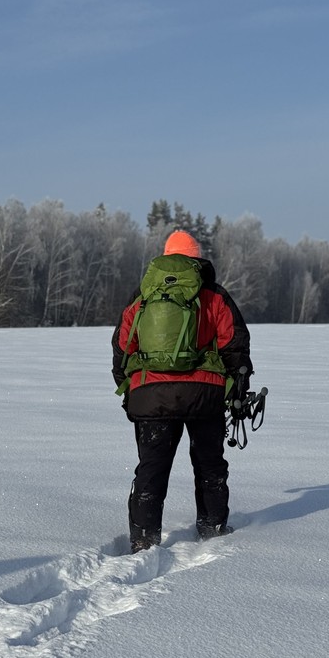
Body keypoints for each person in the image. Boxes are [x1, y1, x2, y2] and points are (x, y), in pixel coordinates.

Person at [112, 230, 254, 553]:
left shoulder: (144, 295)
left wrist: (129, 389)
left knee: (152, 467)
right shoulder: (213, 294)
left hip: (151, 395)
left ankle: (144, 539)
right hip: (205, 394)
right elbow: (235, 343)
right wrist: (238, 386)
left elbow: (122, 345)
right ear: (197, 258)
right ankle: (212, 528)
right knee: (209, 465)